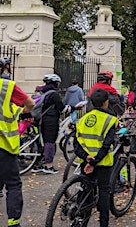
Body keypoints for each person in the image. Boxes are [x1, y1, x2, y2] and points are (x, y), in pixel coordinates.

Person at [74, 89, 118, 227]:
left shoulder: (82, 119)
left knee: (86, 189)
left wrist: (86, 158)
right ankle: (103, 223)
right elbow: (106, 145)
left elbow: (76, 143)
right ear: (106, 102)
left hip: (84, 161)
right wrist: (94, 161)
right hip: (102, 163)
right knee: (104, 191)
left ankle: (82, 220)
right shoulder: (110, 120)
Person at [0, 73, 35, 227]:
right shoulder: (6, 86)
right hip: (4, 146)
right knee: (13, 185)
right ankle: (13, 223)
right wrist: (25, 112)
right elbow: (30, 103)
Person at [31, 74, 75, 174]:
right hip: (50, 120)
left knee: (42, 141)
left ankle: (38, 164)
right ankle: (48, 165)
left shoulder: (41, 91)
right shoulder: (53, 94)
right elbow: (62, 107)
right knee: (50, 142)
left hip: (41, 119)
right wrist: (72, 108)